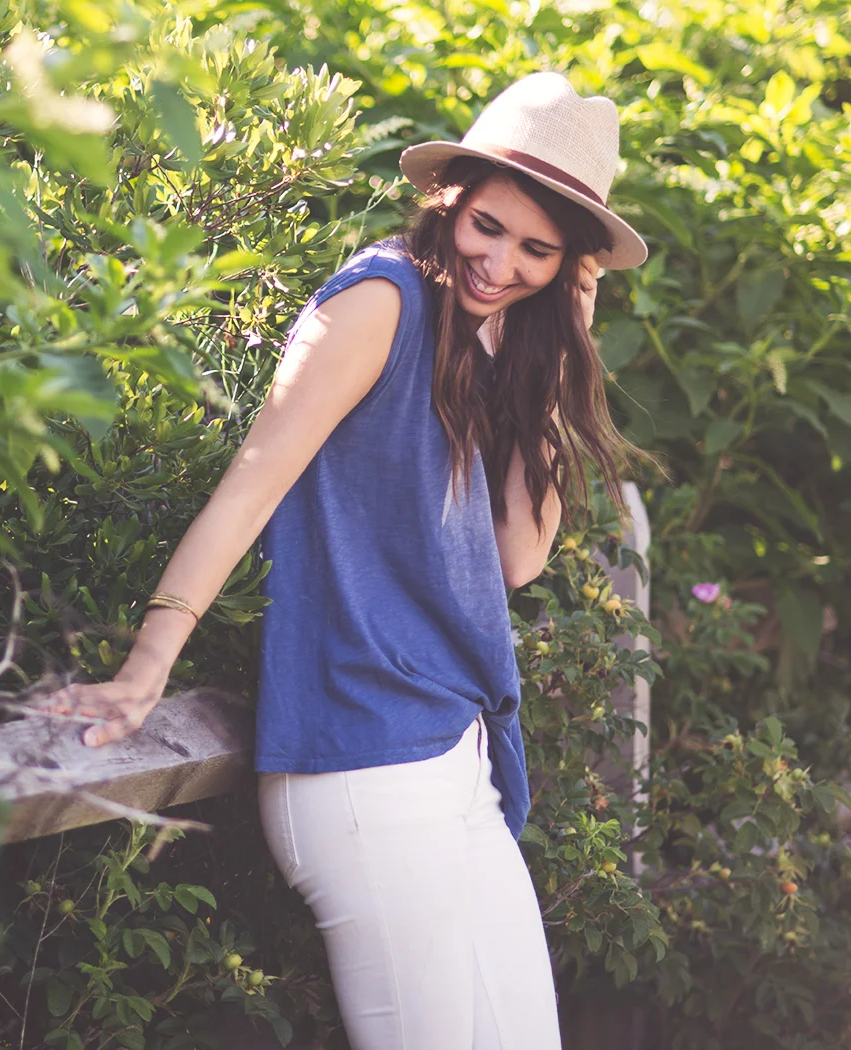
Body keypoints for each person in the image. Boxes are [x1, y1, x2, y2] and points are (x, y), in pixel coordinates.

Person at [45, 71, 649, 1049]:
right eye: (488, 227)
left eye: (538, 251)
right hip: (365, 767)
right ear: (452, 194)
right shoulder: (379, 300)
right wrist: (146, 662)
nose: (499, 263)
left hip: (454, 754)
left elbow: (519, 558)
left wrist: (566, 335)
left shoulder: (500, 341)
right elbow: (252, 481)